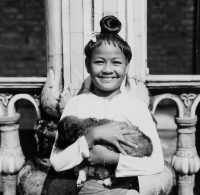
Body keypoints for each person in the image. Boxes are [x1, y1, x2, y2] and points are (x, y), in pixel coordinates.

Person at [50, 15, 164, 195]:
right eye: (99, 62)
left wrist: (111, 158)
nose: (108, 69)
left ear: (127, 67)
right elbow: (57, 161)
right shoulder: (76, 104)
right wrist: (92, 136)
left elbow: (156, 163)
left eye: (116, 62)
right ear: (88, 65)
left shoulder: (136, 107)